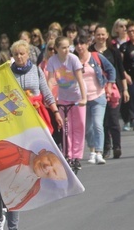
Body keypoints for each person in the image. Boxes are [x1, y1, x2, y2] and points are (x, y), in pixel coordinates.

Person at [0, 40, 61, 230]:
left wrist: (55, 112)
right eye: (15, 54)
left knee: (15, 181)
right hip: (12, 126)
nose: (19, 57)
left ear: (28, 54)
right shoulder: (6, 73)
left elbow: (46, 94)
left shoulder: (35, 70)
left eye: (22, 53)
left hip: (31, 126)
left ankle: (13, 229)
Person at [0, 142, 67, 210]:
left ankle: (12, 228)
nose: (47, 167)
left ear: (55, 178)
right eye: (49, 160)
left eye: (54, 171)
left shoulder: (35, 188)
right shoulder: (14, 151)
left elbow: (16, 206)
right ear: (42, 151)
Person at [74, 31, 116, 165]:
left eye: (82, 43)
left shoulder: (96, 57)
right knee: (87, 128)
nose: (79, 47)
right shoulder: (73, 60)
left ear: (87, 44)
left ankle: (99, 152)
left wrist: (109, 85)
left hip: (98, 96)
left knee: (98, 125)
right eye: (77, 44)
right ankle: (92, 151)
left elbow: (111, 70)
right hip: (82, 100)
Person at [45, 36, 87, 170]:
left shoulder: (73, 59)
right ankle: (67, 154)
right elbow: (51, 81)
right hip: (63, 98)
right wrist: (49, 98)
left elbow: (80, 79)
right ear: (56, 48)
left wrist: (84, 98)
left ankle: (77, 156)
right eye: (63, 47)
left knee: (78, 126)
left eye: (68, 47)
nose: (66, 50)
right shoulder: (52, 61)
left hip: (77, 96)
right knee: (65, 128)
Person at [91, 26, 126, 159]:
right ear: (94, 36)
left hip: (114, 90)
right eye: (98, 34)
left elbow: (120, 70)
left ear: (107, 36)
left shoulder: (113, 51)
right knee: (102, 121)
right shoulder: (90, 52)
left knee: (113, 120)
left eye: (102, 34)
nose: (100, 37)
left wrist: (125, 89)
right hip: (97, 90)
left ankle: (117, 146)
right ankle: (106, 148)